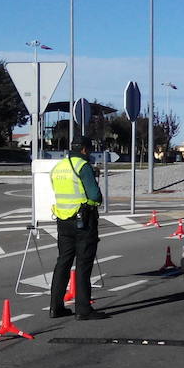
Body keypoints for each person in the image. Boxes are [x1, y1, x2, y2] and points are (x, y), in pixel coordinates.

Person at [49, 136, 109, 321]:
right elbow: (95, 196)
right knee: (83, 265)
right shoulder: (82, 167)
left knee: (63, 263)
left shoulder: (58, 167)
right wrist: (92, 200)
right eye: (89, 150)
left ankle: (55, 307)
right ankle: (83, 309)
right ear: (84, 150)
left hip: (62, 220)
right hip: (83, 221)